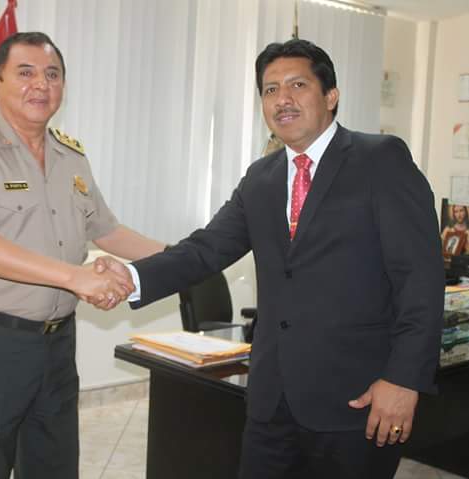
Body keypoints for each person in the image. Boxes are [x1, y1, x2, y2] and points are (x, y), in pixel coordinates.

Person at [94, 39, 444, 478]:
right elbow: (205, 249)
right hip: (272, 401)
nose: (282, 99)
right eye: (270, 89)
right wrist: (131, 276)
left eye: (298, 85)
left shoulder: (379, 159)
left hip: (357, 400)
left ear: (331, 96)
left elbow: (420, 280)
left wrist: (404, 379)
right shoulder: (261, 177)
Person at [0, 32, 162, 479]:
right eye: (25, 72)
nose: (41, 84)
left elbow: (107, 231)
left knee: (54, 465)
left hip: (57, 344)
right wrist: (76, 277)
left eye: (52, 74)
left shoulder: (71, 156)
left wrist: (186, 258)